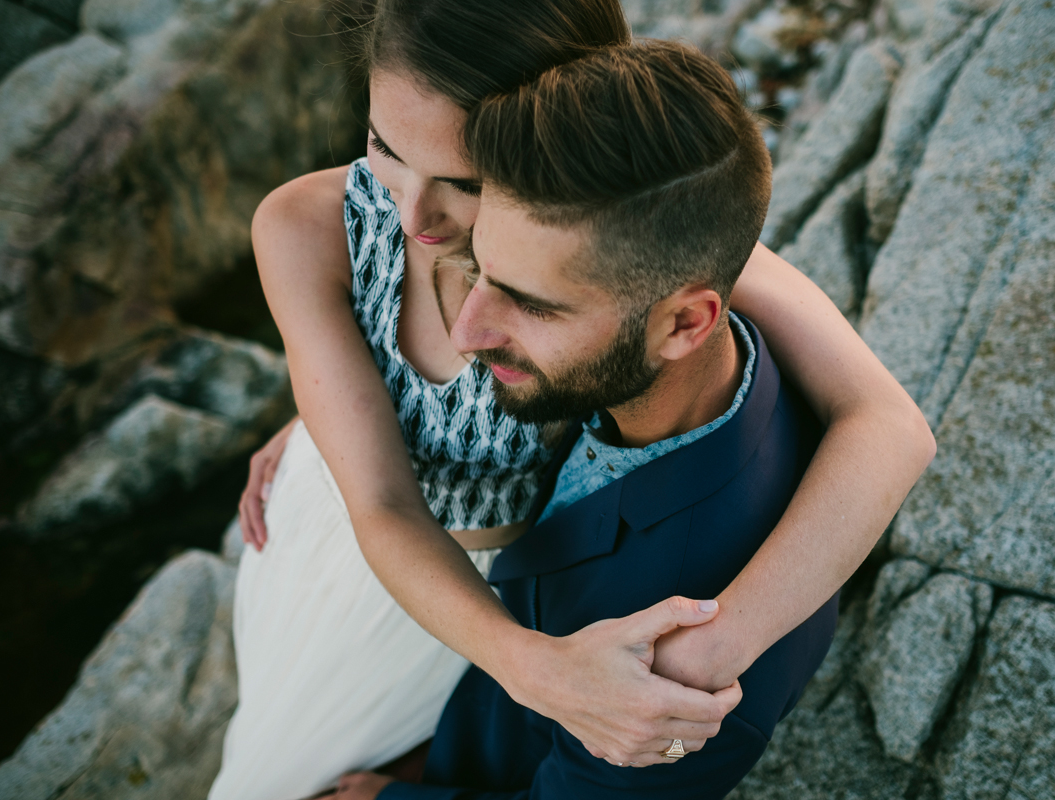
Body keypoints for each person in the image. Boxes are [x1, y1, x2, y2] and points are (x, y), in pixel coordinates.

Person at [216, 0, 935, 797]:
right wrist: (319, 414)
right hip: (350, 534)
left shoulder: (618, 233)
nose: (411, 212)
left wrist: (709, 652)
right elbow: (378, 498)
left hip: (476, 593)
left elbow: (890, 428)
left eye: (464, 178)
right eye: (383, 145)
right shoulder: (305, 224)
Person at [339, 39, 839, 799]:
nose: (468, 332)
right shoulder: (674, 355)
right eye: (484, 268)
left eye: (533, 305)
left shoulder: (675, 674)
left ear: (683, 325)